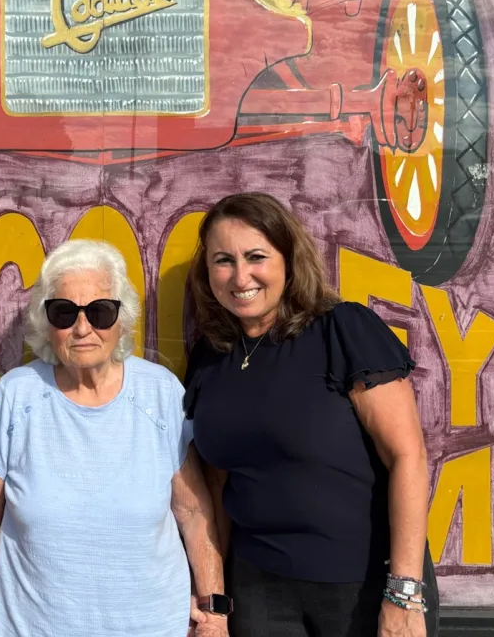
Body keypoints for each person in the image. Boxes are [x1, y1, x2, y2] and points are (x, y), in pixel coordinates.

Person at [183, 193, 436, 637]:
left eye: (256, 256)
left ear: (289, 260)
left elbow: (408, 458)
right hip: (257, 586)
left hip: (359, 586)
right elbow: (216, 486)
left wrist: (404, 594)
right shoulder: (210, 356)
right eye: (223, 260)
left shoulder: (342, 329)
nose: (241, 276)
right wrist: (213, 603)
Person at [0, 238, 231, 637]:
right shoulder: (16, 396)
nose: (83, 327)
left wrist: (215, 614)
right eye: (64, 312)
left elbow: (194, 515)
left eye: (101, 311)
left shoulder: (160, 393)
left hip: (153, 627)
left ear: (122, 319)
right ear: (46, 321)